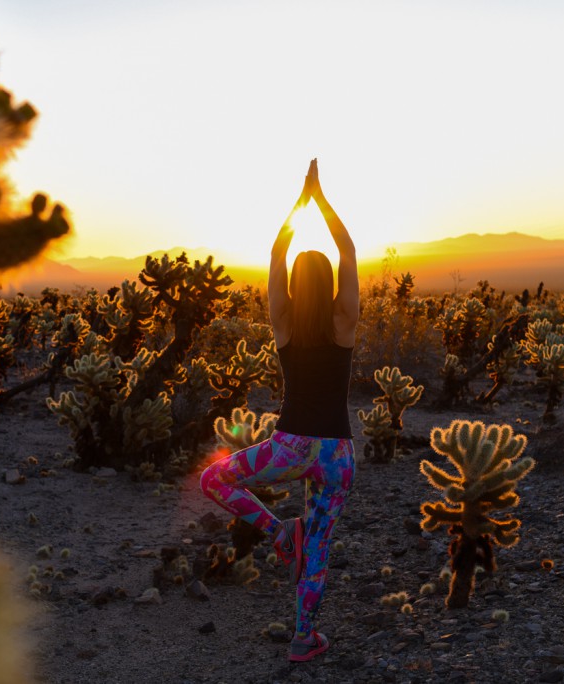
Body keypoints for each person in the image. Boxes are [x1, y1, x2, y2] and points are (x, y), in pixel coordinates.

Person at [200, 158, 358, 663]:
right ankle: (302, 636)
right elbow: (350, 250)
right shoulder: (344, 324)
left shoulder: (283, 324)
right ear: (329, 282)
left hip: (289, 446)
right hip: (337, 454)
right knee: (319, 546)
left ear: (294, 284)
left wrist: (298, 203)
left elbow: (274, 253)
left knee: (213, 480)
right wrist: (322, 200)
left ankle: (276, 530)